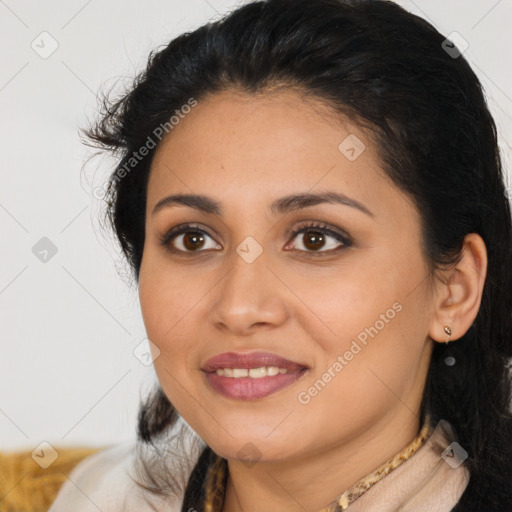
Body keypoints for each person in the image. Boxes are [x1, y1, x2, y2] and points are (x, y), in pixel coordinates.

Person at [48, 0, 512, 510]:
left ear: (455, 289)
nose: (239, 308)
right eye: (193, 238)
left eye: (316, 239)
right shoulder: (98, 496)